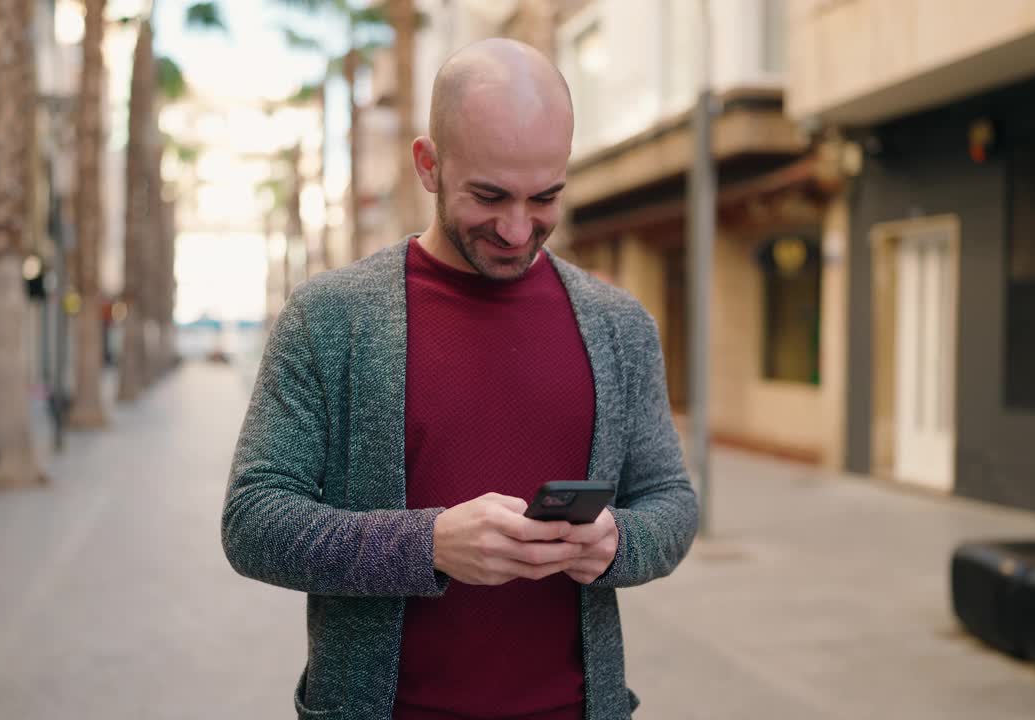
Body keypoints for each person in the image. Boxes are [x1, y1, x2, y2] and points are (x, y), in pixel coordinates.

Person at [222, 38, 698, 720]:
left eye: (545, 198)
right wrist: (429, 545)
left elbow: (671, 502)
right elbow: (253, 521)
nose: (516, 228)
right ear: (428, 164)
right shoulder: (329, 319)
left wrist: (619, 540)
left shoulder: (621, 327)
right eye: (489, 195)